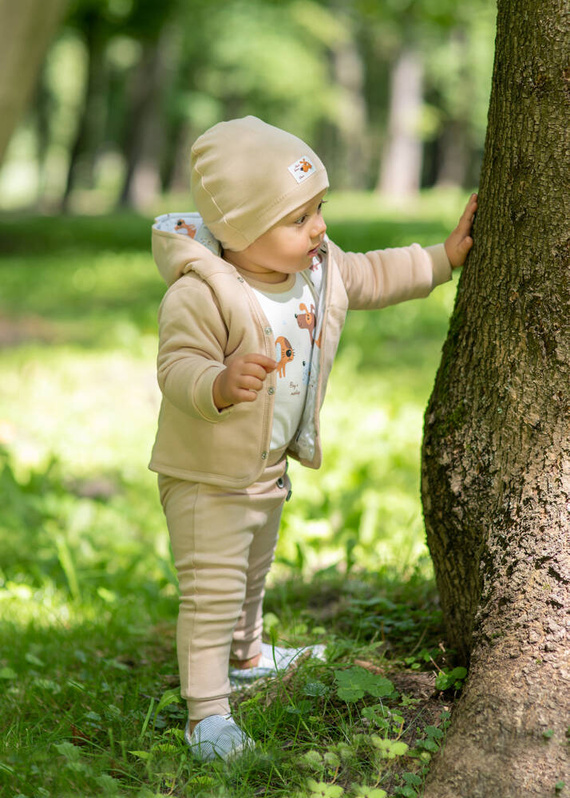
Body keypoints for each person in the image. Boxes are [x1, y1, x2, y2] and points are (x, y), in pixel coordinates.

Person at [149, 116, 477, 761]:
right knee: (213, 589)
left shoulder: (317, 269)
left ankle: (247, 655)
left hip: (265, 467)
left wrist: (442, 260)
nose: (319, 228)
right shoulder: (201, 291)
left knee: (252, 573)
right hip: (207, 476)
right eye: (299, 218)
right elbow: (176, 367)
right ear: (240, 230)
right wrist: (218, 382)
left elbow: (374, 274)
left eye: (318, 209)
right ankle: (206, 715)